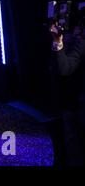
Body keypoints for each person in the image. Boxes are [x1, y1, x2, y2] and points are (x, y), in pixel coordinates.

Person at [51, 21, 85, 165]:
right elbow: (63, 68)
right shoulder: (78, 43)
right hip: (71, 101)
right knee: (73, 143)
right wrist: (58, 41)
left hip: (76, 102)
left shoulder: (80, 44)